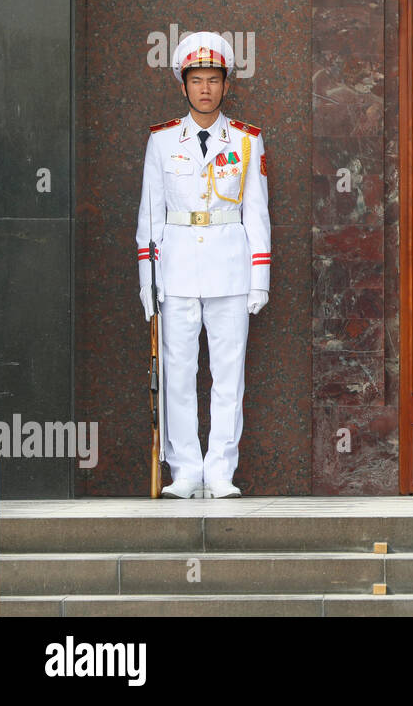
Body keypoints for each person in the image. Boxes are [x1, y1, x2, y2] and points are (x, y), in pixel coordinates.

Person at [136, 31, 270, 498]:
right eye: (197, 80)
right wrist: (146, 281)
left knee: (229, 376)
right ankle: (185, 470)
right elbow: (149, 217)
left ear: (226, 85)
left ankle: (220, 471)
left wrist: (260, 279)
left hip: (230, 270)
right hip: (175, 271)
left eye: (214, 79)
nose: (206, 88)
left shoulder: (248, 141)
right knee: (178, 372)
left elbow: (256, 212)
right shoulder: (162, 140)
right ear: (184, 85)